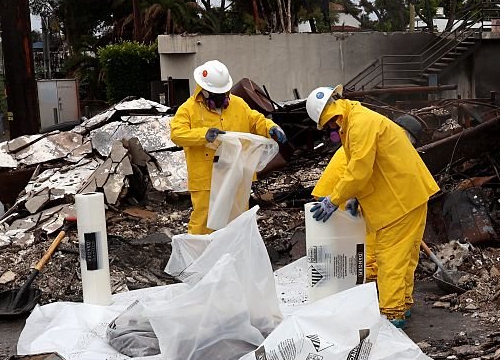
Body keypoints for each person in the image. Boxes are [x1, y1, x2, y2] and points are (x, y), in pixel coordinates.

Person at [307, 85, 437, 327]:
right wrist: (356, 195)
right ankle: (403, 304)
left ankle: (392, 315)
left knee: (391, 258)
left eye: (328, 126)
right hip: (406, 194)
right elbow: (368, 166)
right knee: (404, 256)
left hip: (398, 200)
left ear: (332, 119)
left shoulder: (359, 124)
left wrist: (334, 199)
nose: (330, 131)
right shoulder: (358, 119)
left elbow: (359, 170)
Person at [170, 60, 286, 234]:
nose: (223, 98)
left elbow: (255, 120)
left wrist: (270, 128)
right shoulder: (188, 109)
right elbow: (177, 133)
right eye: (217, 95)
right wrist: (203, 135)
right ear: (205, 92)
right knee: (204, 221)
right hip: (206, 178)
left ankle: (233, 257)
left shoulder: (238, 104)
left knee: (238, 219)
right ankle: (199, 258)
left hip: (236, 175)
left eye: (224, 93)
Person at [311, 114, 426, 284]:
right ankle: (367, 284)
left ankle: (338, 282)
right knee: (368, 244)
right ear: (408, 136)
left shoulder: (374, 136)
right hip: (340, 195)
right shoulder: (388, 145)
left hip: (335, 191)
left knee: (340, 244)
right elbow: (361, 174)